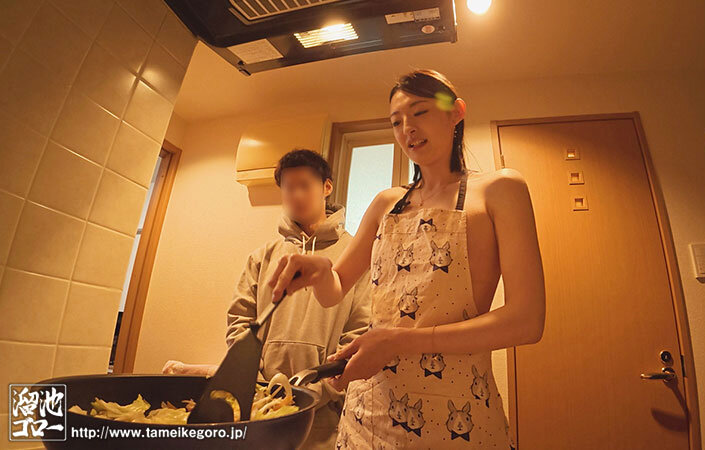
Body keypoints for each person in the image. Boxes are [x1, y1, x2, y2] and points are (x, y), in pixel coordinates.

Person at [267, 70, 546, 448]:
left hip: (458, 413)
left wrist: (397, 342)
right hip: (368, 413)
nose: (407, 129)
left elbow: (526, 321)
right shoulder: (386, 202)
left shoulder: (499, 190)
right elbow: (335, 289)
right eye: (396, 121)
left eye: (420, 112)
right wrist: (320, 271)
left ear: (456, 112)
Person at [162, 149, 371, 449]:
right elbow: (240, 321)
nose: (296, 195)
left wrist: (316, 391)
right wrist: (256, 382)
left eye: (304, 185)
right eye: (288, 187)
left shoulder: (354, 254)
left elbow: (360, 331)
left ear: (326, 187)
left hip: (326, 416)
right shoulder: (263, 257)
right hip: (259, 409)